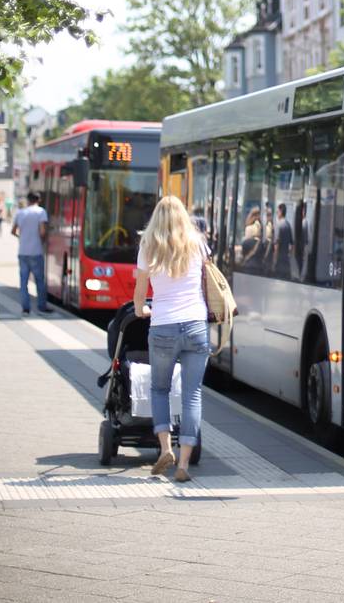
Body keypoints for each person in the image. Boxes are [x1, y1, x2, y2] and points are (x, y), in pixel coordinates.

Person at [133, 195, 209, 483]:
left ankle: (165, 448)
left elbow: (140, 293)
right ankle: (185, 464)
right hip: (195, 325)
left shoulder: (148, 245)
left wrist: (142, 309)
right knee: (192, 394)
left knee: (160, 389)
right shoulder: (197, 242)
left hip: (163, 326)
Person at [12, 191, 52, 315]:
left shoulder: (20, 213)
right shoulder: (41, 212)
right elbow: (42, 232)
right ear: (38, 200)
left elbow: (13, 231)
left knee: (23, 281)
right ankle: (41, 306)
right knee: (39, 280)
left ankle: (25, 307)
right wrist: (43, 241)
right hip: (36, 251)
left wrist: (21, 238)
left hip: (23, 251)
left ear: (28, 200)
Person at [273, 203, 293, 277]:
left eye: (277, 212)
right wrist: (288, 255)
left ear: (281, 212)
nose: (277, 214)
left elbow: (276, 245)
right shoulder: (288, 225)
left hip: (279, 260)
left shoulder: (279, 225)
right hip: (286, 261)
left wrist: (274, 260)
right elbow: (291, 245)